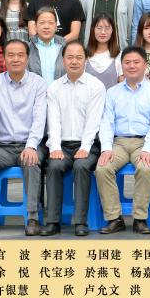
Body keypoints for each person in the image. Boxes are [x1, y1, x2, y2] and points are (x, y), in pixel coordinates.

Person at [0, 39, 48, 236]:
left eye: (20, 55)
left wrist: (31, 146)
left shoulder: (38, 83)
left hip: (29, 144)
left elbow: (39, 119)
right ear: (4, 58)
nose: (16, 59)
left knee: (31, 161)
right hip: (2, 147)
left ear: (27, 58)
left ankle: (33, 218)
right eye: (11, 55)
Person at [95, 46, 150, 234]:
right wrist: (106, 148)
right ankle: (114, 218)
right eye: (127, 62)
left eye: (136, 62)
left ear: (145, 65)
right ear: (122, 66)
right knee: (102, 168)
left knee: (145, 168)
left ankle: (140, 219)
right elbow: (106, 123)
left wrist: (148, 149)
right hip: (118, 143)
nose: (132, 66)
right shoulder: (112, 92)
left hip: (143, 142)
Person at [42, 42, 106, 237]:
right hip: (62, 145)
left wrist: (85, 147)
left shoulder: (96, 86)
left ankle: (80, 221)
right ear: (63, 61)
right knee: (54, 166)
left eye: (79, 57)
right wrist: (54, 147)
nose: (74, 61)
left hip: (88, 145)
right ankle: (53, 221)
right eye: (70, 57)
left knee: (81, 166)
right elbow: (53, 121)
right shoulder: (54, 87)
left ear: (85, 60)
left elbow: (93, 121)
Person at [28, 7, 66, 83]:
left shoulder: (65, 48)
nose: (46, 27)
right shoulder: (27, 49)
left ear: (56, 26)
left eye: (51, 23)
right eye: (42, 23)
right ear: (35, 26)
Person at [85, 13, 122, 87]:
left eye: (107, 28)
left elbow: (122, 84)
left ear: (112, 31)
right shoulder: (84, 55)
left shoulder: (119, 55)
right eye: (99, 28)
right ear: (93, 30)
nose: (103, 32)